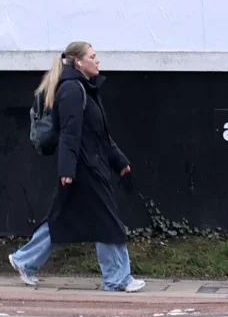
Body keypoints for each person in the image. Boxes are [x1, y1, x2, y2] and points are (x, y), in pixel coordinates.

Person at [9, 41, 146, 293]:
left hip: (89, 165)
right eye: (93, 56)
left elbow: (99, 135)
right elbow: (69, 135)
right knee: (108, 222)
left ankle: (24, 260)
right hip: (84, 169)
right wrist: (67, 171)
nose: (98, 61)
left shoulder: (84, 88)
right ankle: (118, 278)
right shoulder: (72, 90)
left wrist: (119, 161)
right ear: (79, 62)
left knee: (61, 220)